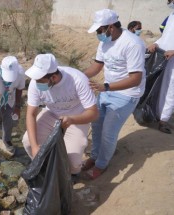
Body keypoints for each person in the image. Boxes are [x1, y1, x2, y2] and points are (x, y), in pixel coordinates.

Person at [83, 9, 146, 179]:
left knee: (108, 133)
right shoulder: (105, 42)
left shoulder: (133, 44)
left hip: (127, 93)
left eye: (99, 30)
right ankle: (95, 157)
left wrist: (106, 87)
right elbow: (97, 66)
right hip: (107, 90)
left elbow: (136, 79)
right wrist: (78, 76)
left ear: (110, 27)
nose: (98, 34)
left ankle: (102, 164)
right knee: (96, 126)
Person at [22, 53, 98, 176]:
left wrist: (72, 119)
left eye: (40, 80)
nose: (36, 82)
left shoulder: (77, 80)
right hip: (51, 113)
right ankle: (45, 169)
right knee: (28, 142)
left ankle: (70, 176)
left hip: (77, 118)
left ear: (54, 77)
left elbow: (93, 113)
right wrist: (35, 147)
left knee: (73, 162)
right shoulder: (35, 84)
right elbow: (31, 114)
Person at [148, 0, 174, 134]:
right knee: (157, 86)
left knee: (170, 90)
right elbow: (166, 37)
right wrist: (156, 43)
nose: (169, 2)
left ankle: (163, 120)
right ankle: (156, 114)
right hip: (163, 58)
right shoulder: (171, 16)